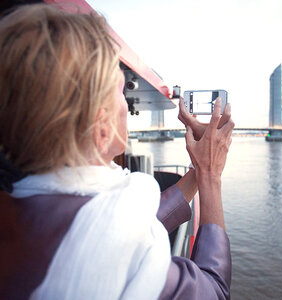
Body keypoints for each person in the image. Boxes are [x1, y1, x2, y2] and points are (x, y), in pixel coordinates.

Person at [0, 3, 234, 300]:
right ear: (100, 128)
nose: (127, 105)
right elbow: (213, 289)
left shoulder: (28, 204)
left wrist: (198, 171)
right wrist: (211, 176)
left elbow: (123, 229)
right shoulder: (115, 250)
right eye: (121, 92)